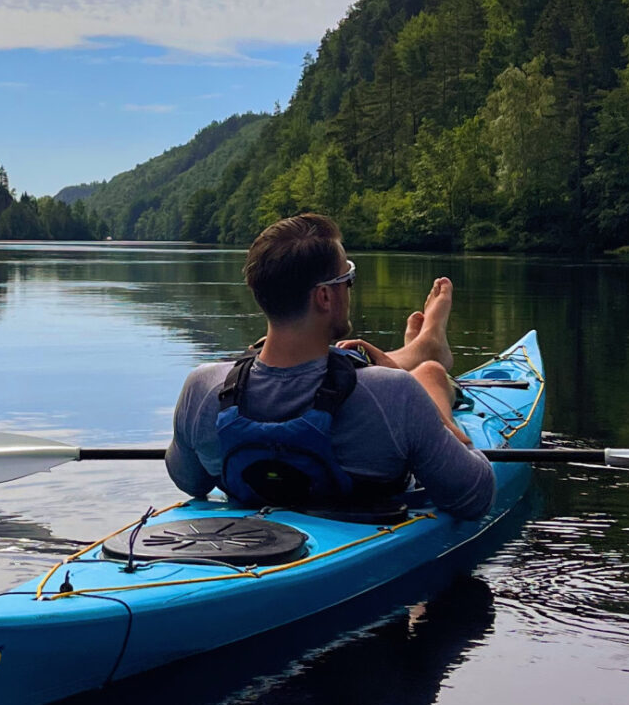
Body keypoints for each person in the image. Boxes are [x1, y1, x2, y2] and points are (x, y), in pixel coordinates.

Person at [165, 213, 494, 521]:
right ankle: (430, 365)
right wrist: (439, 418)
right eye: (348, 279)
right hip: (366, 530)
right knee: (428, 377)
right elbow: (473, 497)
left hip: (250, 540)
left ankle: (424, 351)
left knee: (377, 366)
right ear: (324, 297)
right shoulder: (395, 393)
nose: (350, 290)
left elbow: (190, 481)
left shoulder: (203, 387)